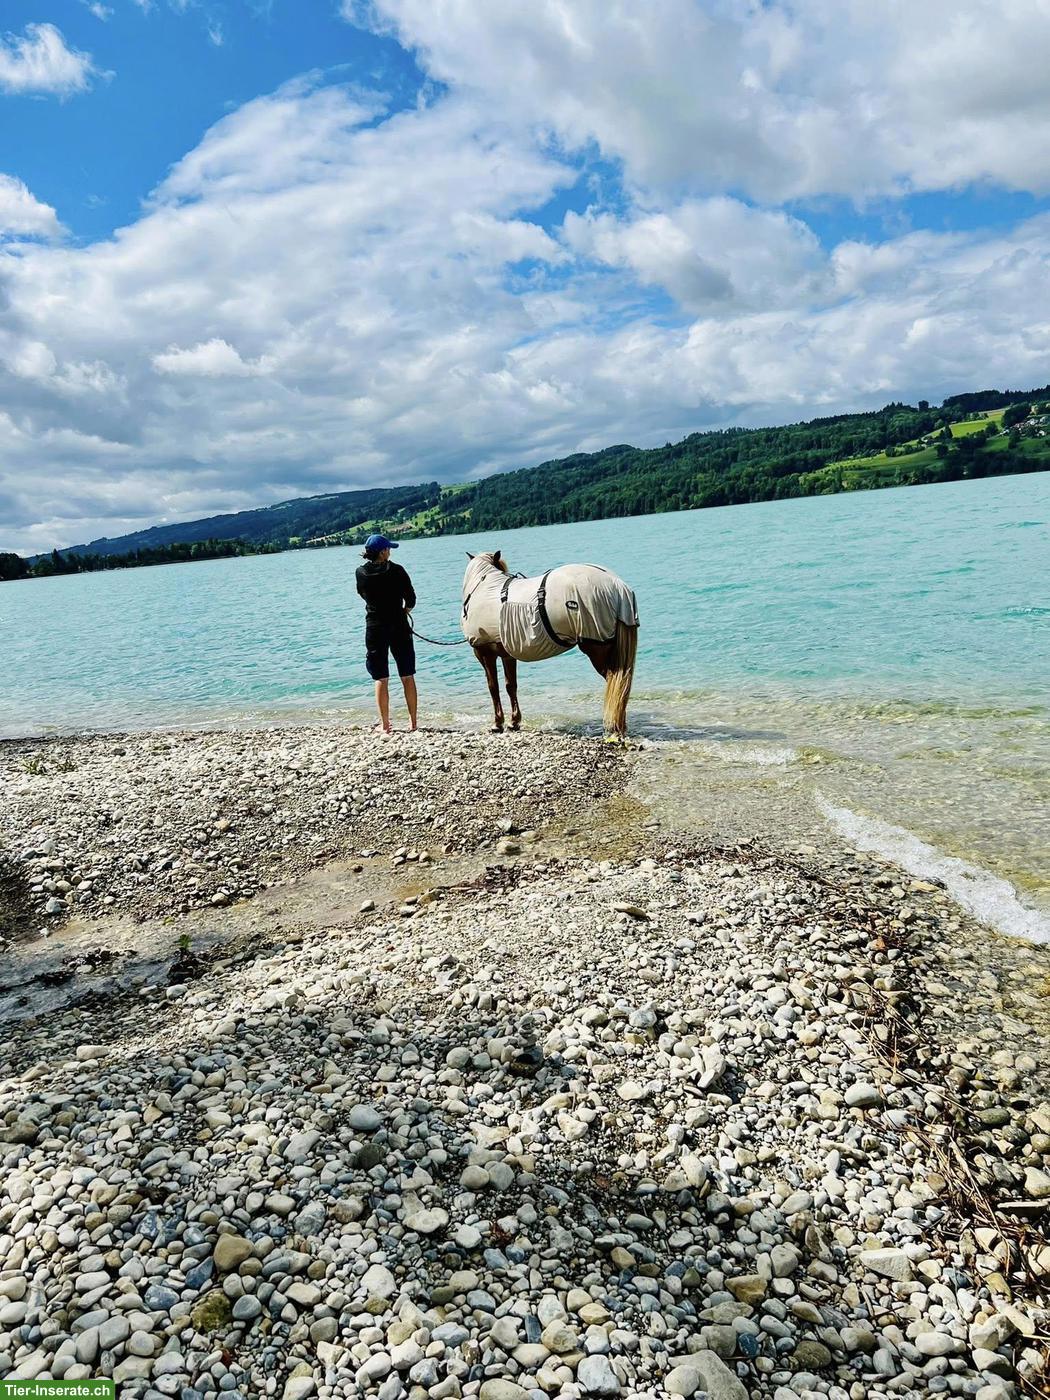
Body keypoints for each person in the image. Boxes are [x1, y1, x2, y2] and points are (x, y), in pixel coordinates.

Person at [355, 534, 418, 733]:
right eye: (388, 549)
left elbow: (362, 594)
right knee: (407, 675)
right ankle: (413, 723)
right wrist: (404, 611)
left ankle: (385, 725)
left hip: (374, 627)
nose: (390, 552)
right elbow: (411, 599)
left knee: (380, 677)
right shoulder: (397, 570)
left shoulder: (360, 573)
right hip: (399, 625)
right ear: (382, 552)